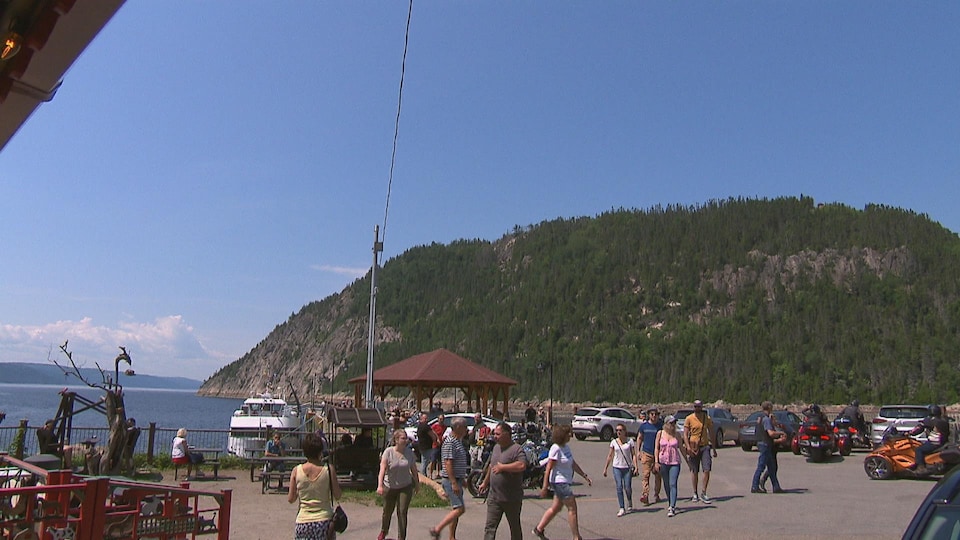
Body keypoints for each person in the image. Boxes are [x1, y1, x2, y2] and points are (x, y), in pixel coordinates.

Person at [533, 425, 592, 540]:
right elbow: (548, 468)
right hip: (559, 482)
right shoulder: (555, 448)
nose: (570, 435)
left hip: (565, 481)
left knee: (556, 508)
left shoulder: (566, 447)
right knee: (572, 508)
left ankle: (539, 529)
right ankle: (576, 537)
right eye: (568, 433)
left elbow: (572, 463)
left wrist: (584, 476)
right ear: (562, 435)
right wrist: (544, 487)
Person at [287, 433, 342, 540]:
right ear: (320, 451)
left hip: (303, 521)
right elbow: (338, 495)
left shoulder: (296, 470)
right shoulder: (328, 469)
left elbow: (291, 499)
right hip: (324, 521)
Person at [479, 422, 528, 540]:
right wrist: (485, 482)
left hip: (511, 498)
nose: (495, 436)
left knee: (514, 527)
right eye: (494, 434)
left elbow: (522, 465)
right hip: (494, 497)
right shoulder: (496, 447)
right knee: (490, 528)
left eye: (498, 434)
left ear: (506, 434)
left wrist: (503, 467)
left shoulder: (516, 449)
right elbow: (492, 466)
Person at [428, 418, 470, 540]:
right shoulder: (450, 442)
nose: (466, 429)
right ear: (458, 427)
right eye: (464, 427)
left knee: (455, 509)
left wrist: (462, 479)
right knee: (460, 509)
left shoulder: (458, 441)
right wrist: (453, 482)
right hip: (451, 480)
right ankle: (437, 529)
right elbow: (448, 463)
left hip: (457, 479)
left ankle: (452, 536)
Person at [377, 430, 419, 540]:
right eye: (403, 438)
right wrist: (380, 485)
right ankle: (384, 531)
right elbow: (382, 469)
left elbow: (414, 470)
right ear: (396, 440)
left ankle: (402, 537)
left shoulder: (409, 453)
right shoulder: (388, 452)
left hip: (405, 486)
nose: (405, 440)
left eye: (406, 438)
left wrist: (417, 484)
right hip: (389, 487)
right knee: (387, 512)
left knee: (402, 512)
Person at [683, 399, 717, 504]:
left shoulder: (706, 418)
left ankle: (703, 492)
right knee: (694, 471)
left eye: (699, 406)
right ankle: (695, 493)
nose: (697, 408)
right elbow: (685, 434)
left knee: (707, 469)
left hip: (705, 446)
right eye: (695, 406)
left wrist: (714, 448)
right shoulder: (689, 418)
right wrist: (688, 447)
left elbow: (711, 432)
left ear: (702, 407)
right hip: (693, 447)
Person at [751, 401, 786, 494]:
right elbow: (771, 433)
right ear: (769, 407)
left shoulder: (760, 417)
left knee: (772, 467)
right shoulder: (766, 419)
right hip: (765, 444)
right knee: (761, 466)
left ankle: (776, 487)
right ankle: (754, 486)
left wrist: (773, 421)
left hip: (762, 443)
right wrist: (781, 433)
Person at [654, 415, 685, 517]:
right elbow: (656, 448)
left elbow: (681, 448)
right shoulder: (660, 433)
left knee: (673, 484)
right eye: (671, 423)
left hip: (675, 462)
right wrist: (656, 462)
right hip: (663, 462)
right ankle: (670, 501)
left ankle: (672, 506)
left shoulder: (677, 435)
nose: (673, 425)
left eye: (674, 423)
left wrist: (688, 461)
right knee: (666, 484)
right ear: (666, 424)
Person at [602, 423, 636, 516]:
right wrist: (605, 468)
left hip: (627, 467)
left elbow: (633, 454)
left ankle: (629, 500)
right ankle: (622, 507)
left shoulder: (630, 441)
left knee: (627, 487)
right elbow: (610, 455)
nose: (618, 432)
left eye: (620, 430)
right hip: (617, 467)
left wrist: (636, 466)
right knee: (619, 486)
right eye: (617, 430)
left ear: (625, 431)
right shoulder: (614, 442)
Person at [909, 404, 950, 472]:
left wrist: (910, 433)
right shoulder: (944, 420)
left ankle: (921, 467)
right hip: (943, 442)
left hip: (934, 443)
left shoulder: (930, 421)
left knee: (918, 450)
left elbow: (919, 428)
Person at [635, 408, 663, 506]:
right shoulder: (644, 426)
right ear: (649, 415)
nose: (654, 416)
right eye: (652, 414)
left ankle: (656, 494)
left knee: (658, 475)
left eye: (656, 414)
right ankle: (645, 495)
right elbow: (639, 438)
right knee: (645, 475)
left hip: (658, 454)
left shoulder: (660, 426)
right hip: (646, 453)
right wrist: (638, 451)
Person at [416, 413, 438, 477]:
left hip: (422, 446)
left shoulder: (419, 426)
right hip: (426, 447)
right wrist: (435, 441)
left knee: (424, 461)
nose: (426, 420)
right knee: (425, 462)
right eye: (425, 418)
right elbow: (432, 434)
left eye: (426, 418)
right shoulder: (425, 426)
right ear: (421, 419)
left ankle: (423, 475)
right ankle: (423, 476)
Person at [430, 414, 446, 478]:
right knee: (433, 460)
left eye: (442, 419)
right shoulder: (434, 426)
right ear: (438, 419)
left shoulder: (445, 427)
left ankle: (438, 473)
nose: (441, 420)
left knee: (439, 460)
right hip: (435, 445)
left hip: (442, 445)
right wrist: (436, 439)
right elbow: (431, 433)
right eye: (440, 419)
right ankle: (430, 474)